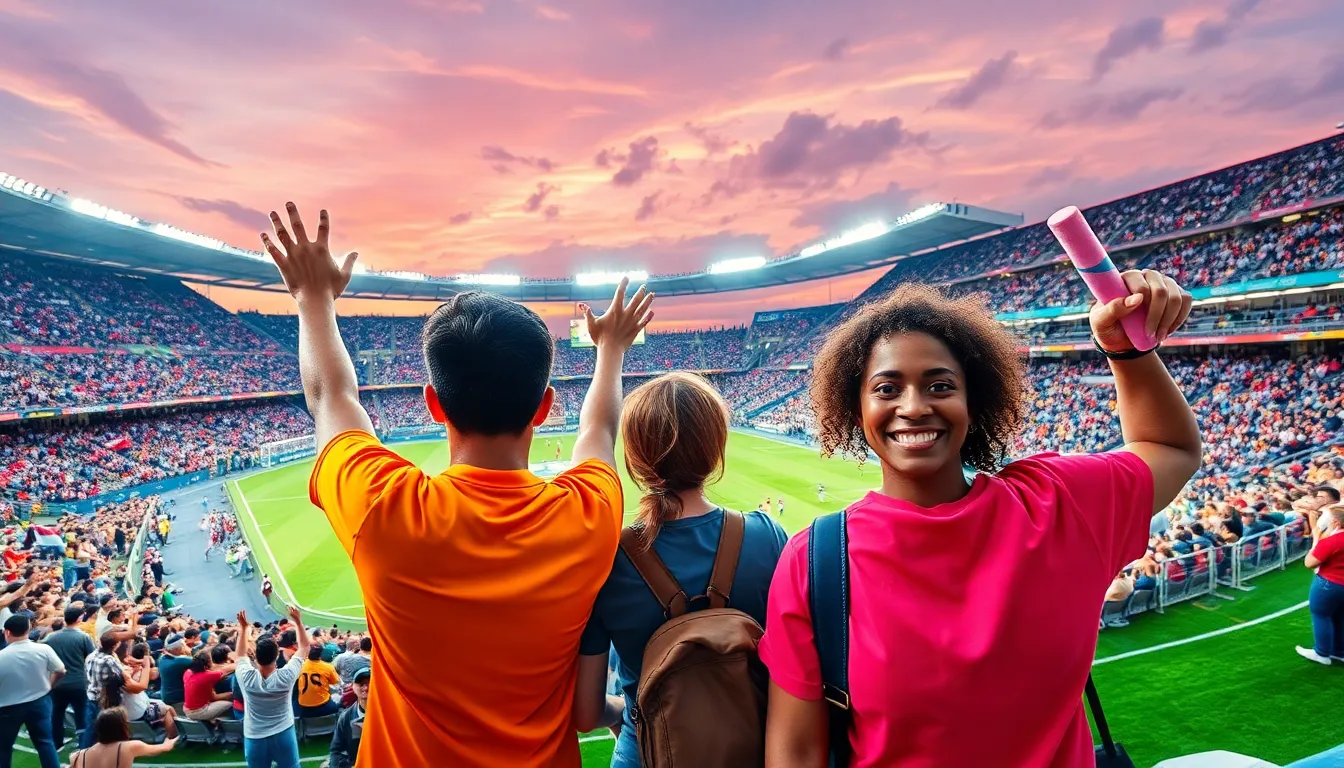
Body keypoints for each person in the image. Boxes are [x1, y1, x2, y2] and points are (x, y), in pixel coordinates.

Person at [760, 275, 1201, 766]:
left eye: (940, 385)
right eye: (887, 388)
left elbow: (1169, 449)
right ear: (855, 407)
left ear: (974, 400)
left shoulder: (1058, 503)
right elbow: (796, 751)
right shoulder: (816, 561)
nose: (914, 406)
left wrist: (1127, 352)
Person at [267, 204, 650, 767]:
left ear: (432, 403)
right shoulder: (589, 513)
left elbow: (331, 399)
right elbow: (600, 429)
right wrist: (611, 348)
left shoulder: (386, 505)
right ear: (544, 409)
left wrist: (313, 298)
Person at [574, 372, 788, 766]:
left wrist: (628, 710)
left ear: (636, 461)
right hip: (752, 748)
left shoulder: (608, 557)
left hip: (647, 752)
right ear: (715, 448)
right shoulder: (769, 536)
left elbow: (586, 713)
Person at [236, 607, 308, 768]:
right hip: (283, 733)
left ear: (255, 655)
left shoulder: (245, 676)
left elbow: (240, 655)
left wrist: (244, 629)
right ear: (277, 656)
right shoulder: (286, 677)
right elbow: (304, 648)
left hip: (254, 736)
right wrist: (298, 621)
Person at [0, 614, 65, 768]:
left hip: (8, 708)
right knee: (45, 743)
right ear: (28, 629)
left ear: (7, 632)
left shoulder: (2, 656)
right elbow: (61, 670)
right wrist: (50, 685)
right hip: (40, 702)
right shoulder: (43, 649)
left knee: (3, 747)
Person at [1296, 506, 1344, 665]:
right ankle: (1339, 652)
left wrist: (1316, 539)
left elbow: (1309, 562)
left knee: (1321, 616)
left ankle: (1322, 653)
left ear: (1336, 523)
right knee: (1340, 617)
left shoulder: (1332, 541)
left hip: (1328, 584)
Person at [43, 606, 95, 750]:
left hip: (57, 683)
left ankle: (57, 743)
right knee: (82, 715)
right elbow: (92, 658)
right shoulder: (84, 637)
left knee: (56, 714)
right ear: (79, 618)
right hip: (79, 683)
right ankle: (83, 746)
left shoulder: (50, 637)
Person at [69, 707, 179, 768]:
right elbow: (165, 747)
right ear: (121, 727)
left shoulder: (77, 756)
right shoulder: (129, 747)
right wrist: (174, 738)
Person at [327, 667, 370, 768]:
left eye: (370, 683)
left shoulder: (389, 714)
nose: (366, 688)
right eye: (361, 684)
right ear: (353, 687)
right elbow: (336, 750)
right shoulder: (345, 717)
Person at [183, 650, 236, 724]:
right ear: (207, 664)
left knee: (228, 695)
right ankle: (224, 725)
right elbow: (228, 669)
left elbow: (212, 696)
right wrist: (235, 659)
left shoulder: (188, 672)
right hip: (199, 712)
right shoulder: (208, 676)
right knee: (232, 703)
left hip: (188, 709)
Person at [296, 645, 341, 718]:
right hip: (322, 704)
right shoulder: (327, 667)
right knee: (338, 702)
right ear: (320, 656)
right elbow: (335, 682)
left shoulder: (301, 664)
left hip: (302, 707)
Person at [157, 635, 193, 714]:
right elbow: (200, 661)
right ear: (180, 648)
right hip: (178, 701)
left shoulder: (162, 659)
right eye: (184, 645)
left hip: (166, 697)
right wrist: (189, 651)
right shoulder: (181, 661)